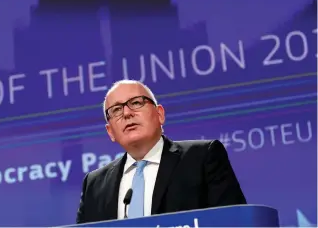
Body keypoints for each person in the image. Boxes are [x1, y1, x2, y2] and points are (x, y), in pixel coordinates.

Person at [76, 80, 246, 224]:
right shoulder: (94, 184)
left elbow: (235, 223)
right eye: (116, 110)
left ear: (160, 114)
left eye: (136, 103)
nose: (127, 113)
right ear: (110, 132)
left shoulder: (202, 157)